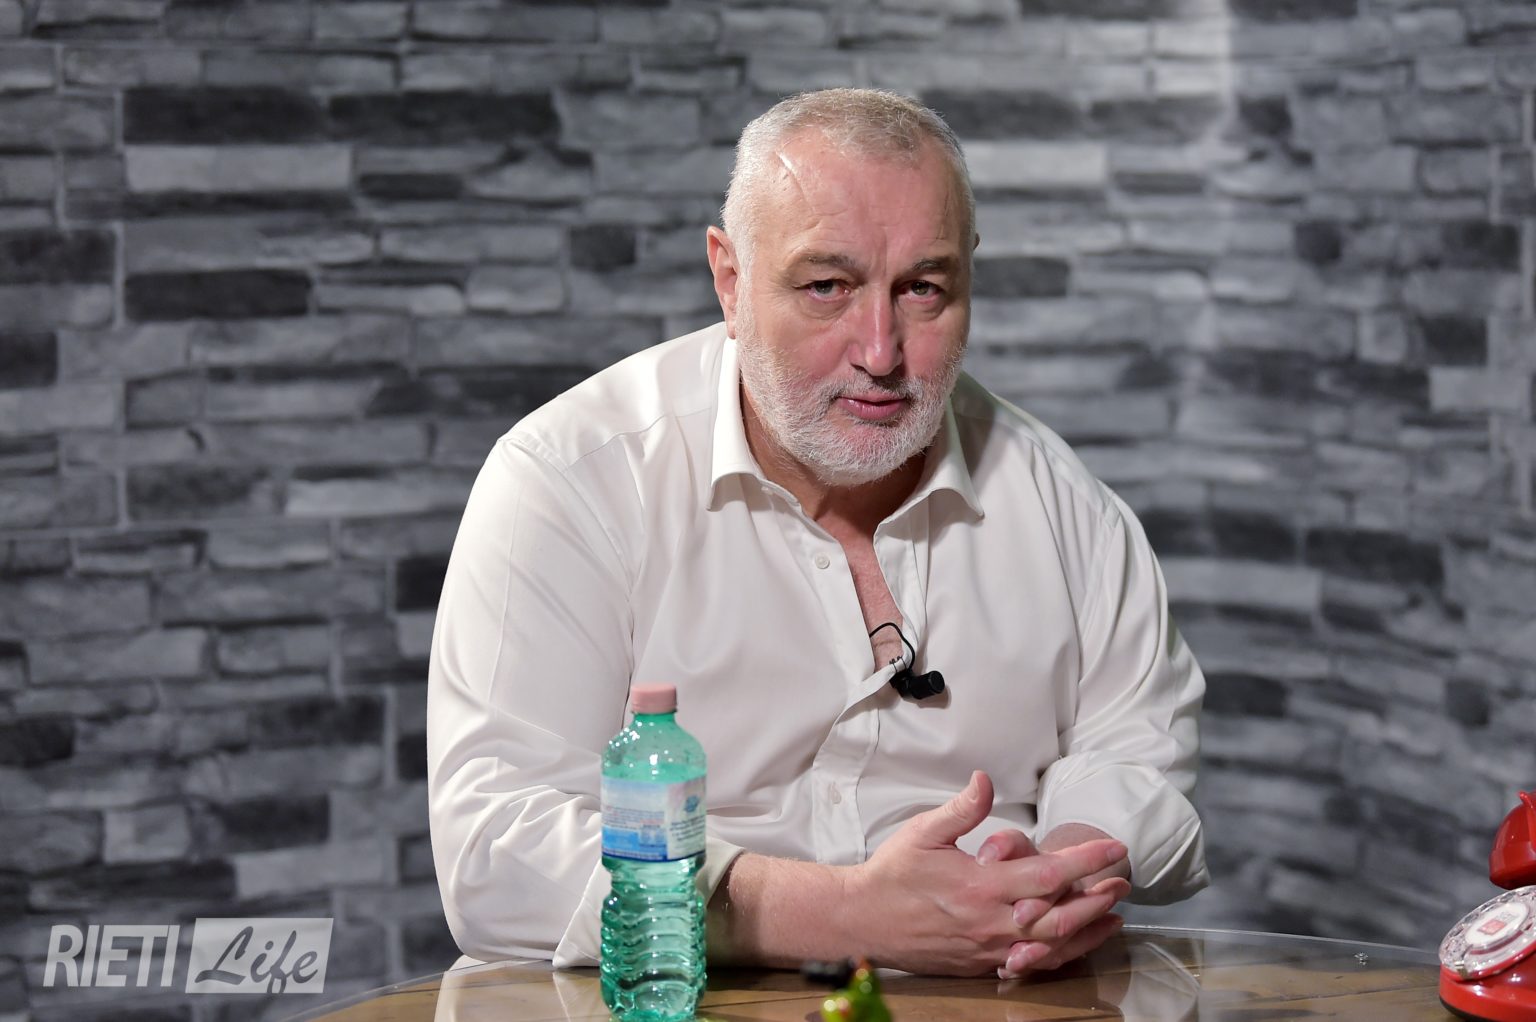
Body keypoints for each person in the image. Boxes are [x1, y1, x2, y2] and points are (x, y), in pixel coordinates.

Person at [426, 88, 1207, 981]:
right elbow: (495, 848)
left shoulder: (1064, 503)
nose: (880, 352)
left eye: (922, 289)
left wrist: (1046, 883)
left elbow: (1137, 750)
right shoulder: (570, 480)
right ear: (730, 280)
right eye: (826, 287)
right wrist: (846, 916)